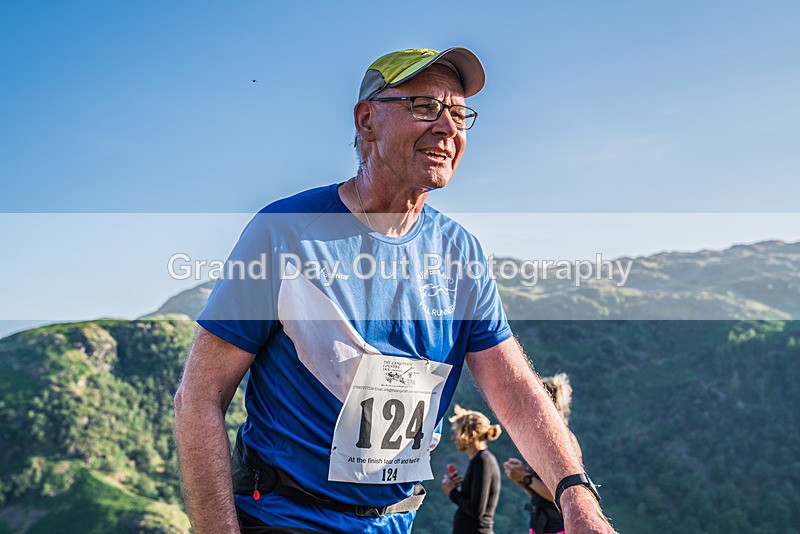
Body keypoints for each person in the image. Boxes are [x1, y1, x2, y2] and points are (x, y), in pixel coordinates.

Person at [174, 46, 614, 534]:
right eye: (425, 106)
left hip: (392, 524)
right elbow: (200, 395)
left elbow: (515, 392)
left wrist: (578, 500)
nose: (447, 127)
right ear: (367, 120)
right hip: (282, 518)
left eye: (459, 113)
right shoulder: (285, 231)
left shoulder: (460, 252)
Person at [504, 373, 581, 534]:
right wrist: (520, 477)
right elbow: (539, 493)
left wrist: (526, 478)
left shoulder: (563, 440)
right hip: (540, 525)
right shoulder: (546, 440)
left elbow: (563, 494)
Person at [441, 405, 502, 534]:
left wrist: (452, 492)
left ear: (471, 435)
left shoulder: (483, 461)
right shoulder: (480, 460)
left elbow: (476, 510)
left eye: (457, 434)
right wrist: (461, 487)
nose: (453, 438)